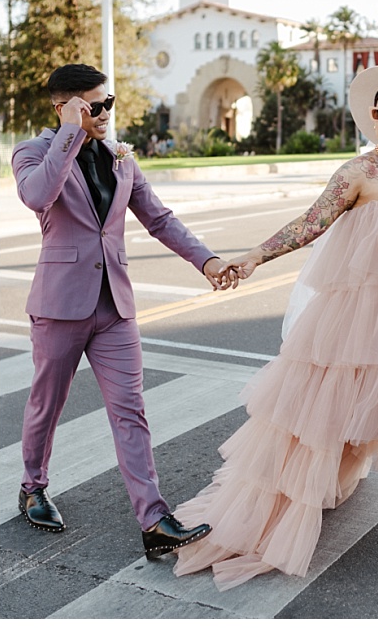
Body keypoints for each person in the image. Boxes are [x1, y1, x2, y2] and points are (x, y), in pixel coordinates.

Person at [173, 64, 378, 591]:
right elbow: (310, 224)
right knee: (331, 413)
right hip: (362, 318)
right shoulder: (357, 173)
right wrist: (256, 255)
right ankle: (285, 497)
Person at [12, 63, 237, 560]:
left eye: (107, 102)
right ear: (65, 107)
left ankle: (154, 519)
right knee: (47, 406)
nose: (106, 112)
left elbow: (158, 218)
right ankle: (32, 488)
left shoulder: (120, 158)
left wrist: (207, 259)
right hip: (60, 305)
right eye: (95, 105)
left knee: (131, 411)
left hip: (114, 305)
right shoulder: (33, 152)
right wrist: (70, 132)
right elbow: (38, 195)